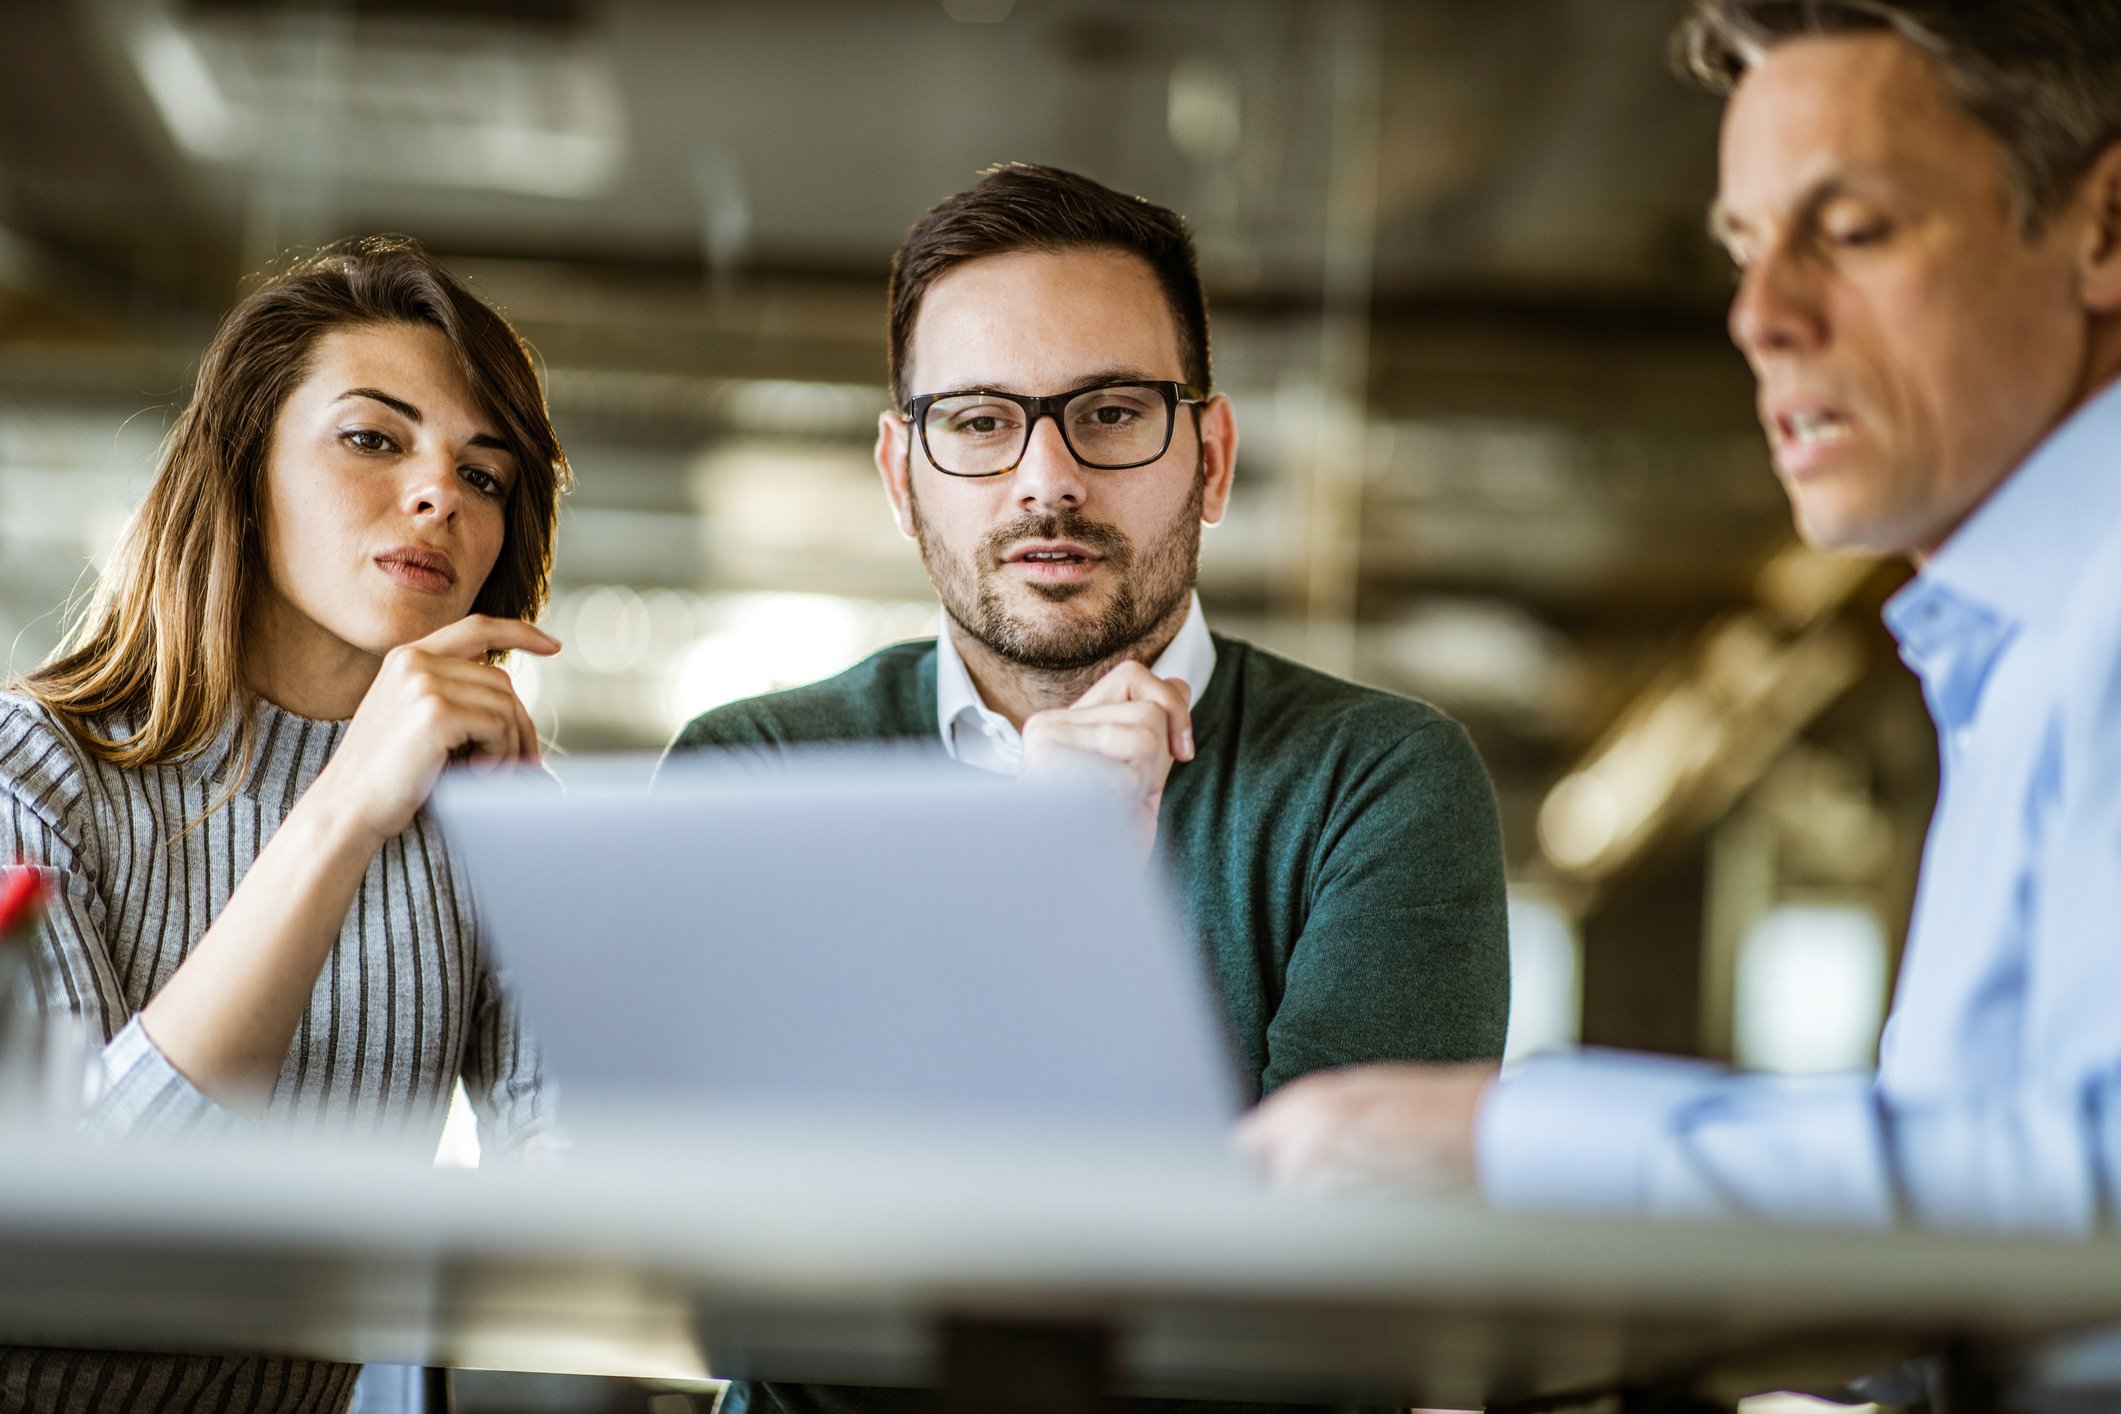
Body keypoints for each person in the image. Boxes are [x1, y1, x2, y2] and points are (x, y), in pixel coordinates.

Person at [1239, 0, 2121, 1236]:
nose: (1761, 318)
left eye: (1854, 231)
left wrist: (1514, 1147)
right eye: (1744, 250)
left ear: (2105, 227)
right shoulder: (2014, 648)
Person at [667, 163, 1510, 1413]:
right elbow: (760, 1296)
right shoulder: (759, 776)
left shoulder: (1378, 784)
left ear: (1210, 461)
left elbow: (1327, 1308)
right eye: (978, 420)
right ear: (903, 477)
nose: (1044, 479)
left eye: (1112, 413)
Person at [0, 235, 568, 1412]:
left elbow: (582, 1198)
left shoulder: (486, 812)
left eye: (485, 475)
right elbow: (82, 1234)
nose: (436, 495)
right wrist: (347, 806)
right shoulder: (26, 772)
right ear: (240, 461)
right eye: (374, 438)